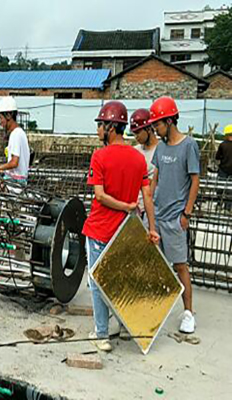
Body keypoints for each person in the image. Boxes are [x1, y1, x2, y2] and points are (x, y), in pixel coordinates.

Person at [83, 101, 160, 352]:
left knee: (97, 280)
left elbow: (100, 196)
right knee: (120, 279)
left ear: (111, 127)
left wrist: (126, 205)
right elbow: (147, 196)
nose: (98, 131)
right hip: (124, 231)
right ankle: (125, 325)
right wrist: (151, 228)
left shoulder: (100, 156)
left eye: (100, 125)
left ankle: (102, 334)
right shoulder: (138, 159)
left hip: (99, 230)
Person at [149, 96, 200, 334]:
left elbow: (195, 180)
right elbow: (156, 177)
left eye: (158, 124)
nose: (155, 130)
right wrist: (147, 204)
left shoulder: (188, 145)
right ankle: (157, 308)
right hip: (157, 216)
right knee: (156, 264)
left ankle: (188, 313)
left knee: (180, 266)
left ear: (169, 121)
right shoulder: (161, 148)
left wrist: (186, 213)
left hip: (175, 218)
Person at [0, 96, 31, 188]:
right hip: (19, 182)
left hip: (15, 186)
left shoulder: (15, 134)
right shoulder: (20, 132)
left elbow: (14, 163)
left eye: (1, 118)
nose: (0, 122)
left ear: (9, 115)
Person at [131, 108, 159, 218]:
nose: (136, 137)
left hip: (152, 209)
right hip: (135, 207)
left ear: (148, 129)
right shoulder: (135, 151)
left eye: (138, 132)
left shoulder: (161, 151)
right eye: (134, 133)